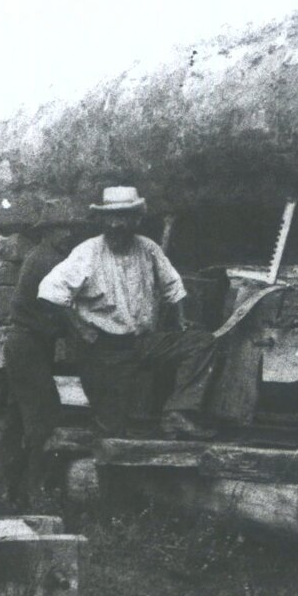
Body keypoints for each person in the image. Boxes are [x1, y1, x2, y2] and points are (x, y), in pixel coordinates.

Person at [35, 186, 218, 440]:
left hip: (142, 343)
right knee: (112, 432)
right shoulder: (88, 252)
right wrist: (80, 328)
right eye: (110, 217)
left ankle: (178, 412)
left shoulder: (148, 249)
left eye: (123, 217)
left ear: (136, 220)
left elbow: (173, 286)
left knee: (200, 342)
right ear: (100, 220)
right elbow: (50, 293)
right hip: (103, 351)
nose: (116, 224)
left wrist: (181, 318)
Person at [0, 215, 81, 510]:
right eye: (62, 228)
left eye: (71, 229)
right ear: (47, 232)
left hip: (26, 343)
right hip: (28, 343)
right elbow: (63, 307)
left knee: (17, 418)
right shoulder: (49, 261)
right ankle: (32, 493)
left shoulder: (41, 255)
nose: (68, 234)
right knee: (44, 416)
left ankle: (2, 492)